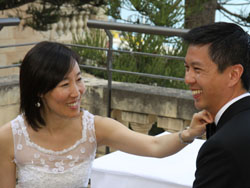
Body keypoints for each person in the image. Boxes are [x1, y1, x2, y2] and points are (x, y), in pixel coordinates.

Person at [0, 41, 212, 188]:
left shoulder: (94, 128)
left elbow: (154, 146)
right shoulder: (10, 137)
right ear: (40, 90)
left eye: (79, 79)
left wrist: (188, 133)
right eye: (65, 84)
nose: (77, 91)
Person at [183, 22, 250, 187]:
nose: (188, 79)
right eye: (186, 68)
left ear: (234, 75)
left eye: (197, 70)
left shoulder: (222, 148)